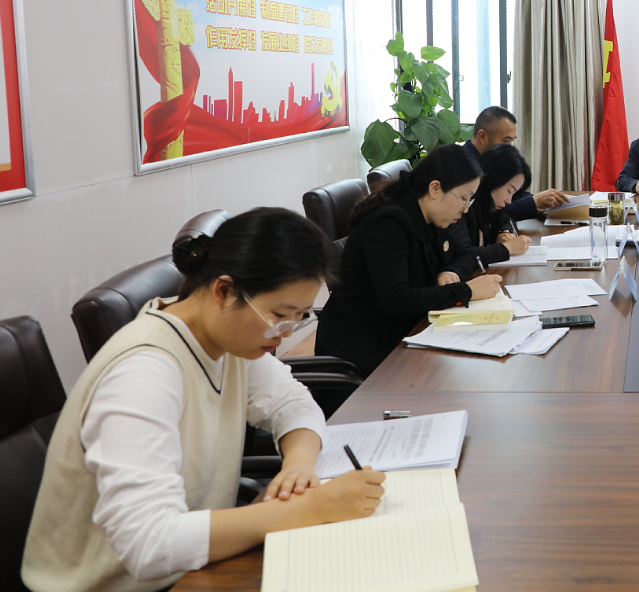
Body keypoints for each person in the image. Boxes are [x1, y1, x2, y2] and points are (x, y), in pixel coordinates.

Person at [22, 208, 386, 592]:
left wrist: (297, 465)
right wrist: (307, 508)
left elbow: (293, 404)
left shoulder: (227, 338)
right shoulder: (143, 373)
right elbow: (147, 545)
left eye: (298, 317)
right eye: (280, 315)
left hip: (194, 566)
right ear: (224, 291)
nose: (285, 333)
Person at [316, 144, 505, 376]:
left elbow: (465, 254)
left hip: (406, 334)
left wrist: (451, 272)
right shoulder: (389, 224)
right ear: (435, 188)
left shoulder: (428, 217)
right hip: (366, 352)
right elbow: (398, 300)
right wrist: (466, 291)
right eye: (464, 199)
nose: (465, 209)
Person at [465, 106, 568, 220]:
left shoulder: (496, 161)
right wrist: (533, 203)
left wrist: (537, 202)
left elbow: (516, 194)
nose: (510, 146)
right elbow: (484, 210)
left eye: (512, 141)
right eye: (506, 140)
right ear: (482, 136)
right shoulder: (463, 166)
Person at [452, 143, 534, 267]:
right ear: (494, 179)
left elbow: (507, 219)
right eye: (509, 191)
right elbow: (463, 254)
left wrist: (505, 232)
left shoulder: (491, 207)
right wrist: (507, 248)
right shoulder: (463, 206)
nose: (509, 200)